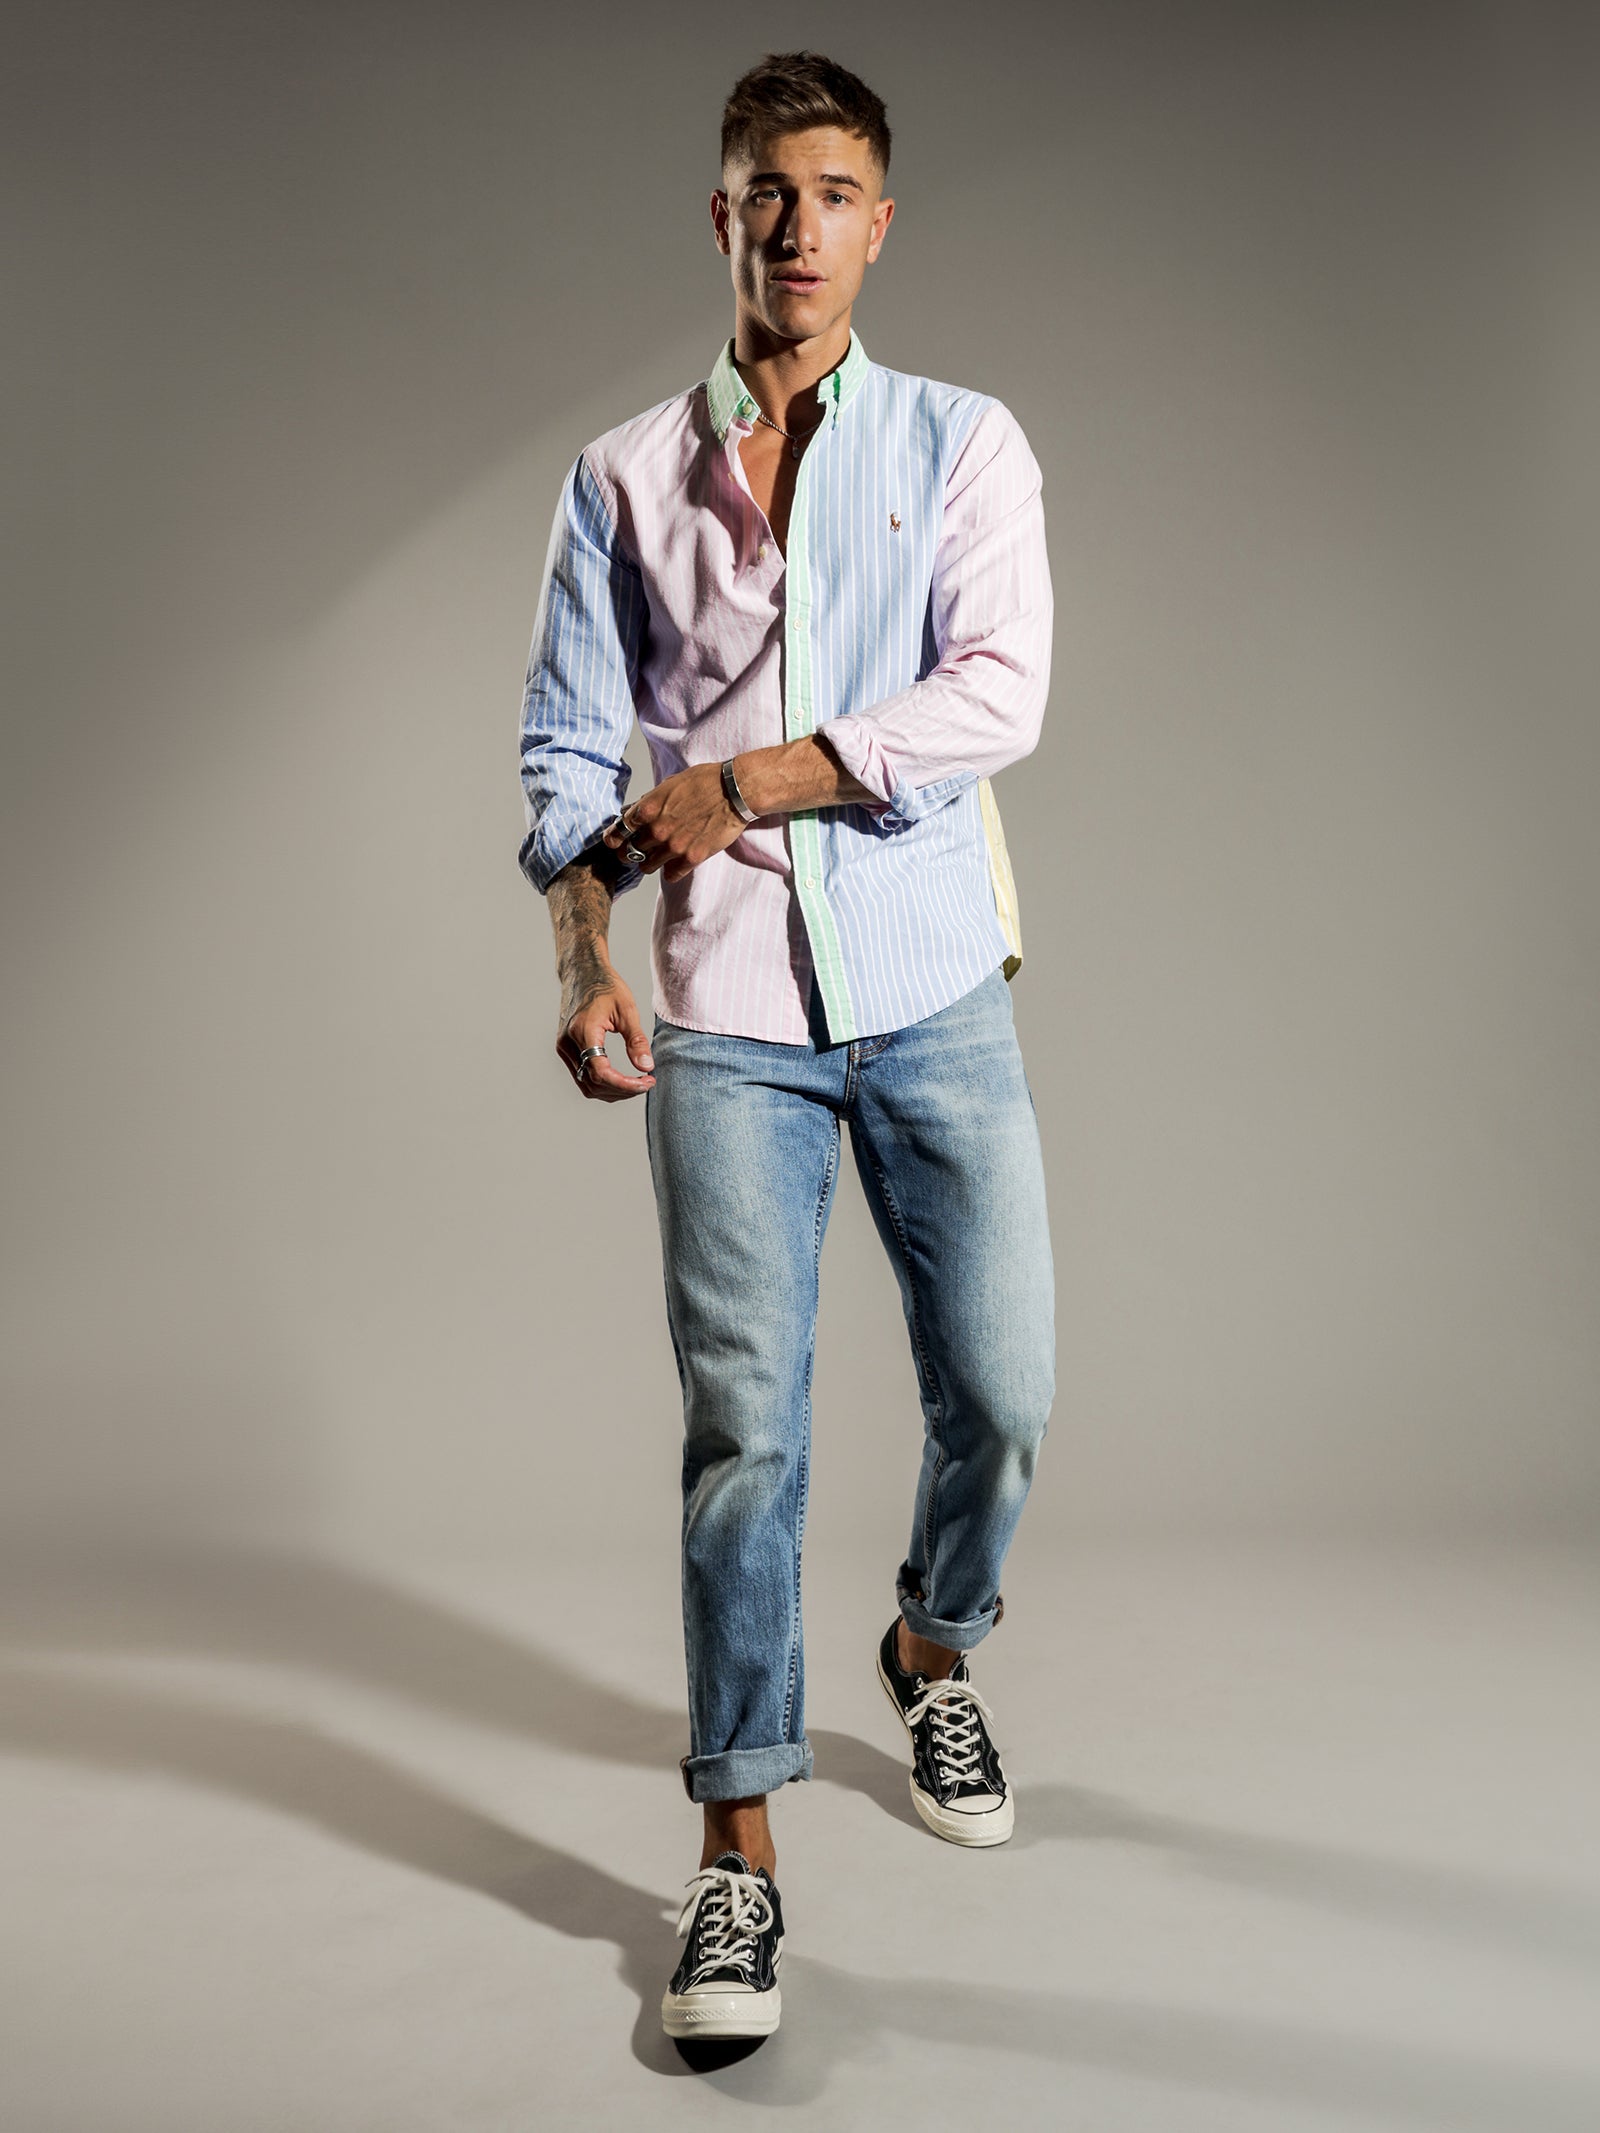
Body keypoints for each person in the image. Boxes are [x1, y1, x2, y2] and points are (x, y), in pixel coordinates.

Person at [516, 49, 1056, 2048]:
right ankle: (736, 1849)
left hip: (933, 986)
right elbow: (567, 753)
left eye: (832, 194)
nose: (797, 228)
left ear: (878, 225)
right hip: (729, 1014)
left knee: (1002, 1386)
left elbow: (995, 693)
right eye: (765, 191)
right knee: (745, 1430)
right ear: (721, 214)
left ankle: (930, 1641)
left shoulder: (962, 442)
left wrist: (747, 777)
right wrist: (580, 955)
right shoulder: (616, 480)